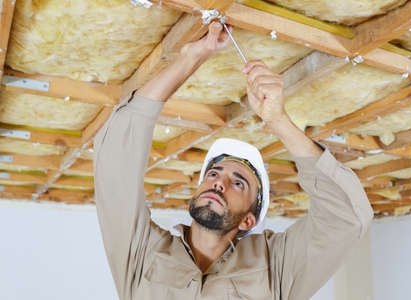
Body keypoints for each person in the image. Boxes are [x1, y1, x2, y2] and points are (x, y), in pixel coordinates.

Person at [94, 21, 373, 300]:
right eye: (213, 174)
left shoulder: (276, 268)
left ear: (248, 220)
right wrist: (190, 58)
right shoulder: (144, 252)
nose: (218, 184)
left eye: (238, 183)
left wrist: (278, 121)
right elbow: (115, 155)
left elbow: (346, 218)